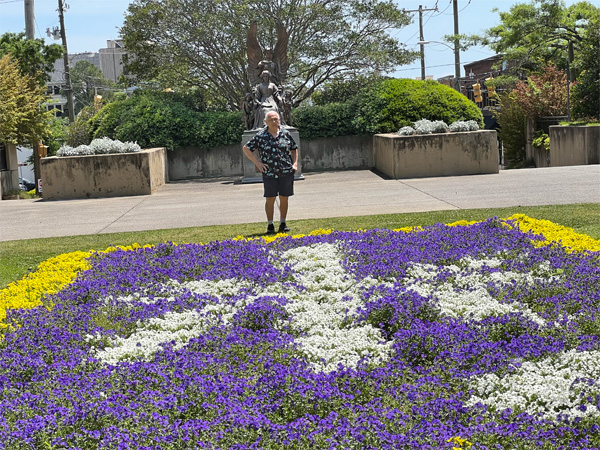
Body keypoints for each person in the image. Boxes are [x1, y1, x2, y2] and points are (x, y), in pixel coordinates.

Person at [242, 111, 298, 234]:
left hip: (286, 171)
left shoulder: (285, 134)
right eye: (271, 119)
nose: (274, 121)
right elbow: (246, 148)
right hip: (269, 172)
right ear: (266, 122)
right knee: (270, 198)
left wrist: (295, 164)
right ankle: (270, 225)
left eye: (276, 119)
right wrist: (258, 163)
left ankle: (283, 223)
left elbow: (294, 149)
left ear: (279, 120)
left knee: (284, 198)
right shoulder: (261, 135)